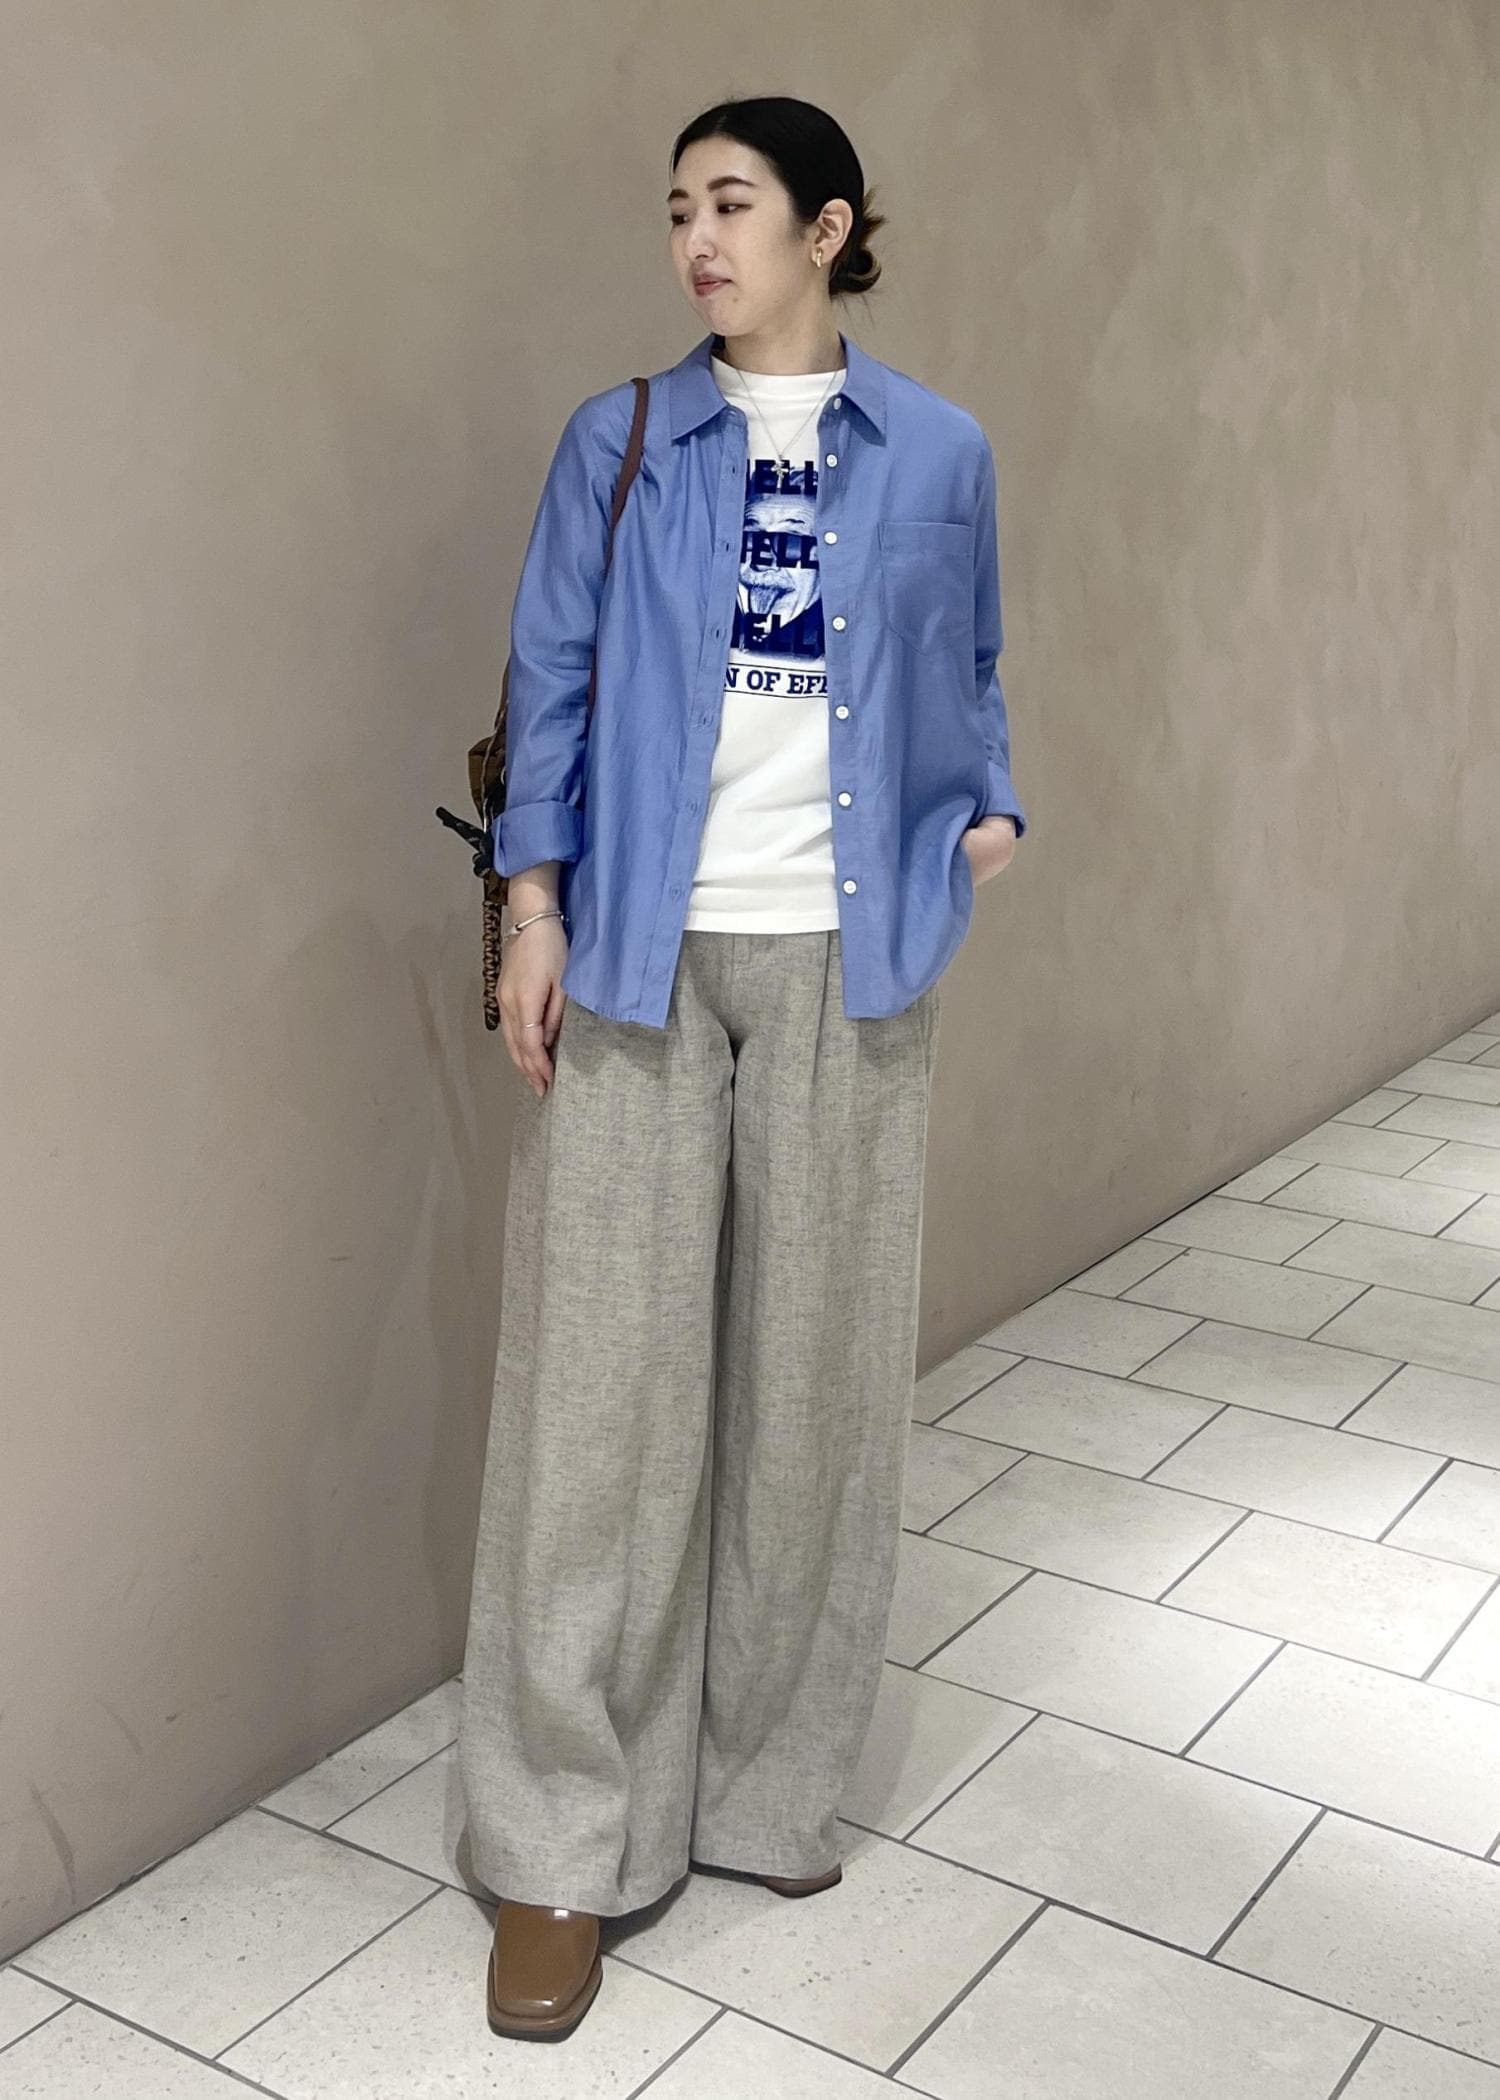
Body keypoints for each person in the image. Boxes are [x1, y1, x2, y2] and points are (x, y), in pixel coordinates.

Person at [456, 93, 1028, 2042]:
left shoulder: (939, 450)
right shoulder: (620, 440)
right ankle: (559, 1845)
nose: (698, 239)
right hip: (639, 952)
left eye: (734, 203)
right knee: (596, 1412)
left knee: (814, 1390)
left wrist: (992, 807)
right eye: (679, 209)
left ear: (827, 227)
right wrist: (534, 908)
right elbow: (549, 683)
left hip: (850, 966)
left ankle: (771, 1788)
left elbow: (975, 667)